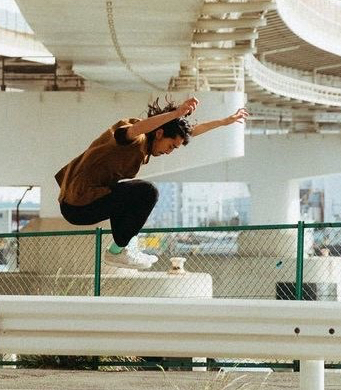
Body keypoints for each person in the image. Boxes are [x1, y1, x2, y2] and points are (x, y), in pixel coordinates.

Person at [55, 96, 248, 269]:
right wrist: (176, 113)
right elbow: (136, 129)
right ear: (159, 133)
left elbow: (190, 131)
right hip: (79, 205)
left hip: (84, 201)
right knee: (147, 191)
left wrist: (224, 122)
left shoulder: (151, 141)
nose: (169, 152)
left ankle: (123, 247)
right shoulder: (135, 138)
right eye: (170, 146)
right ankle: (117, 252)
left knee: (131, 195)